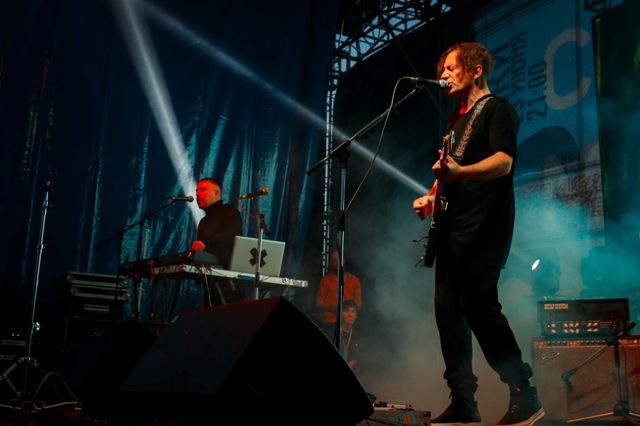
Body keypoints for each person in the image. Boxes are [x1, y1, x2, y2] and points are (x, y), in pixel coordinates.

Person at [412, 42, 544, 426]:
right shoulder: (455, 122)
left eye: (451, 67)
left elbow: (502, 162)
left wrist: (457, 174)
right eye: (443, 69)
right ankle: (463, 402)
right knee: (447, 311)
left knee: (479, 305)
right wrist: (431, 198)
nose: (444, 75)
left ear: (476, 70)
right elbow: (450, 171)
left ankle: (523, 392)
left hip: (485, 226)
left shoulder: (497, 109)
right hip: (452, 229)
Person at [192, 177, 243, 305]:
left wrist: (205, 245)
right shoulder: (203, 222)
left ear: (216, 192)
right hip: (210, 284)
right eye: (196, 191)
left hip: (229, 284)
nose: (197, 194)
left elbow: (230, 236)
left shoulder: (229, 211)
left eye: (202, 190)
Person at [315, 249, 362, 333]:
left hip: (348, 325)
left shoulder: (354, 280)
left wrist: (346, 311)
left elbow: (358, 304)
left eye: (340, 259)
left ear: (344, 261)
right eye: (334, 260)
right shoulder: (325, 280)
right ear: (331, 262)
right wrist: (332, 308)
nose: (337, 263)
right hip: (329, 323)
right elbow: (319, 303)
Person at [324, 299, 362, 372]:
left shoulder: (358, 335)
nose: (350, 315)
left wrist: (354, 363)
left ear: (356, 316)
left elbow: (362, 356)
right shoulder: (331, 331)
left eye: (353, 311)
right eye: (347, 311)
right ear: (341, 314)